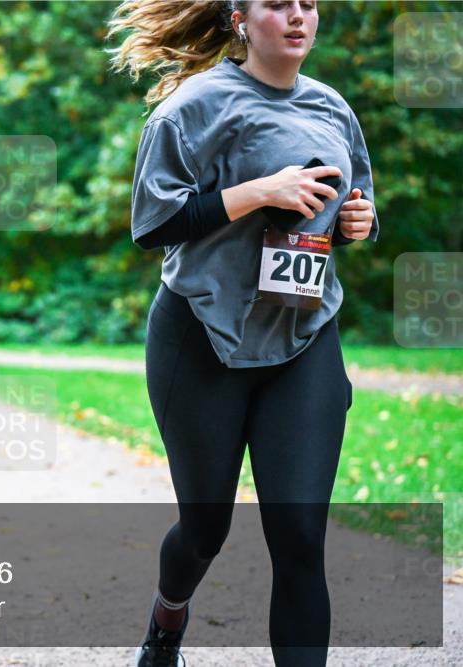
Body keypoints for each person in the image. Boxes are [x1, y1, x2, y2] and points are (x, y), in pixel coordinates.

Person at [109, 1, 379, 666]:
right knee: (206, 528)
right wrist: (262, 191)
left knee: (300, 536)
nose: (297, 17)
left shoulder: (332, 108)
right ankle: (167, 621)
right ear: (239, 19)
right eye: (278, 4)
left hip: (303, 335)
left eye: (308, 4)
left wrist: (361, 223)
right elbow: (152, 224)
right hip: (203, 336)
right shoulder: (192, 108)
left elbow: (350, 208)